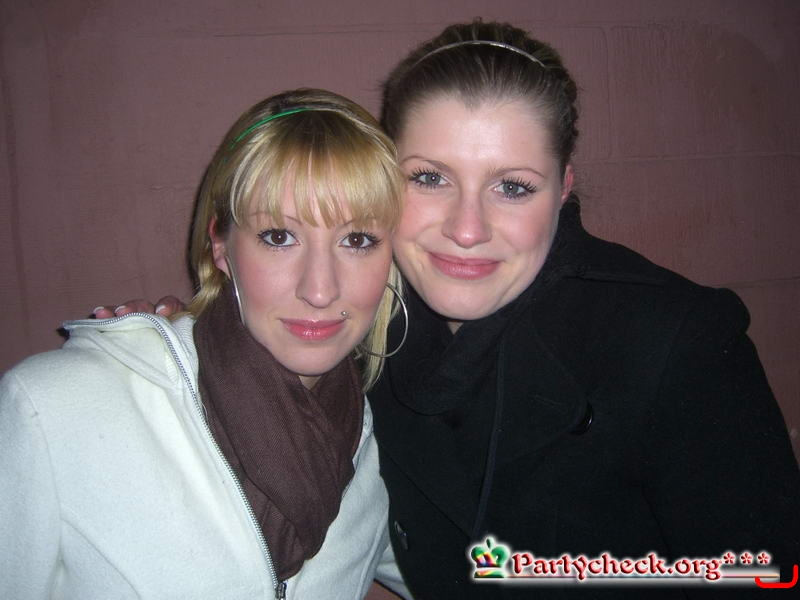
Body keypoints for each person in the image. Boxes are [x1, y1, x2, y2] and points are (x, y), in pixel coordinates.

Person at [91, 20, 800, 599]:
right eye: (430, 178)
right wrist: (187, 335)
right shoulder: (364, 330)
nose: (466, 229)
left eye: (512, 187)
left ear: (563, 189)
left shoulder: (673, 340)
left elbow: (767, 573)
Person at [0, 88, 408, 599]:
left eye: (358, 240)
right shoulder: (52, 408)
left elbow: (481, 570)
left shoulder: (380, 443)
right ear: (220, 245)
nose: (320, 290)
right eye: (279, 237)